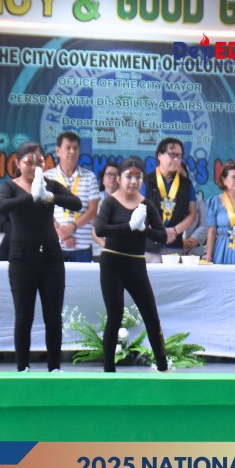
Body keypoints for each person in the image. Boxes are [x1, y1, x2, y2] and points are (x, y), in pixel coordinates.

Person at [0, 141, 82, 372]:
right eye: (29, 162)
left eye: (39, 162)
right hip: (22, 258)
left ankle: (54, 367)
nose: (34, 167)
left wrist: (49, 196)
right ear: (18, 163)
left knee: (53, 316)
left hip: (51, 257)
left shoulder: (50, 185)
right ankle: (23, 366)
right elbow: (1, 207)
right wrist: (32, 196)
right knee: (24, 315)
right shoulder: (9, 187)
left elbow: (76, 203)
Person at [93, 157, 169, 373]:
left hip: (136, 264)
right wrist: (128, 226)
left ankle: (163, 366)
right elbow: (100, 229)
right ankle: (109, 370)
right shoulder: (109, 202)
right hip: (112, 263)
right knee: (115, 315)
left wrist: (145, 229)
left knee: (151, 316)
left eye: (138, 177)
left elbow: (162, 235)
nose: (133, 181)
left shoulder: (146, 204)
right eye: (128, 176)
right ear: (119, 178)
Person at [46, 132, 100, 263]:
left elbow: (92, 210)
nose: (72, 152)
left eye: (75, 148)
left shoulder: (89, 177)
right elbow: (43, 210)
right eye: (68, 148)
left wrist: (72, 227)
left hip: (82, 245)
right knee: (52, 277)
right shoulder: (46, 177)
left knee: (82, 277)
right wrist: (61, 233)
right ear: (58, 151)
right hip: (54, 243)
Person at [141, 137, 198, 262]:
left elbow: (192, 214)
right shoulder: (146, 181)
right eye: (172, 155)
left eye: (179, 156)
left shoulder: (186, 184)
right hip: (148, 248)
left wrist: (175, 231)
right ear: (159, 155)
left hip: (175, 247)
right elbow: (139, 213)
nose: (176, 159)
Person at [92, 161, 120, 256]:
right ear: (103, 179)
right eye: (109, 174)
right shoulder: (95, 200)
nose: (112, 177)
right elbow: (91, 228)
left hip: (120, 251)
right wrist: (106, 246)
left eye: (115, 175)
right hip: (98, 251)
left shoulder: (125, 201)